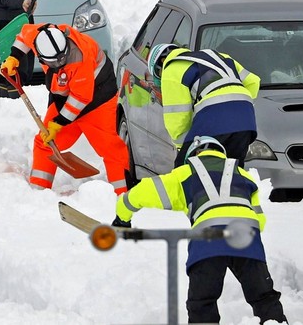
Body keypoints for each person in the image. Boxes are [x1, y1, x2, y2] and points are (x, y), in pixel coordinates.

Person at [114, 135, 287, 324]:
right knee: (264, 298)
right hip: (246, 237)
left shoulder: (185, 173)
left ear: (195, 154)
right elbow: (259, 220)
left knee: (202, 304)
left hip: (208, 240)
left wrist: (122, 218)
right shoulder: (243, 175)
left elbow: (140, 193)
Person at [2, 22, 128, 194]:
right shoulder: (41, 35)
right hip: (64, 95)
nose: (61, 62)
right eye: (55, 61)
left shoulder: (79, 56)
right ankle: (39, 191)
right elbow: (24, 35)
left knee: (111, 148)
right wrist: (14, 57)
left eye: (62, 57)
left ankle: (123, 195)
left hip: (99, 100)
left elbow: (81, 98)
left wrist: (58, 122)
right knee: (45, 142)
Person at [147, 43, 260, 168]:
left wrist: (183, 146)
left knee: (186, 172)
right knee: (232, 172)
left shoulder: (171, 69)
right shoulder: (219, 56)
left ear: (161, 64)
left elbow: (177, 118)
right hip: (245, 121)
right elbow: (253, 81)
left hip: (213, 120)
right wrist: (238, 108)